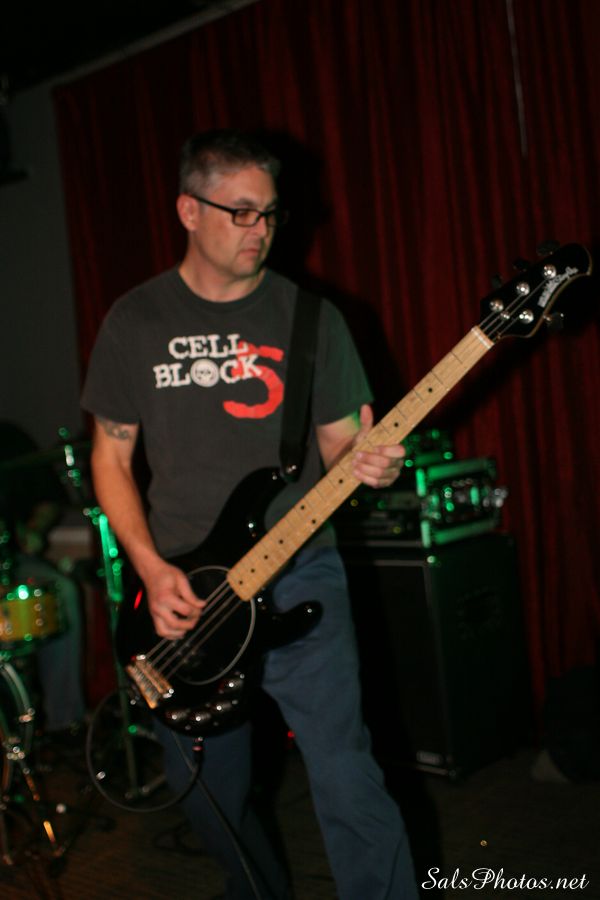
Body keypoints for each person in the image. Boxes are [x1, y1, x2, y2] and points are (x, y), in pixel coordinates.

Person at [81, 129, 419, 900]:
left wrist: (372, 462)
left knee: (346, 772)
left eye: (269, 213)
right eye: (240, 212)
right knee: (204, 790)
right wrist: (149, 569)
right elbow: (111, 458)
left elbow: (343, 447)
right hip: (182, 591)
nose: (259, 229)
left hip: (301, 568)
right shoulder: (135, 320)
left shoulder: (312, 319)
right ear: (188, 211)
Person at [0, 422, 86, 739]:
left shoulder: (10, 439)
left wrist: (34, 530)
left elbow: (48, 499)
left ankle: (64, 721)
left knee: (62, 591)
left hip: (13, 561)